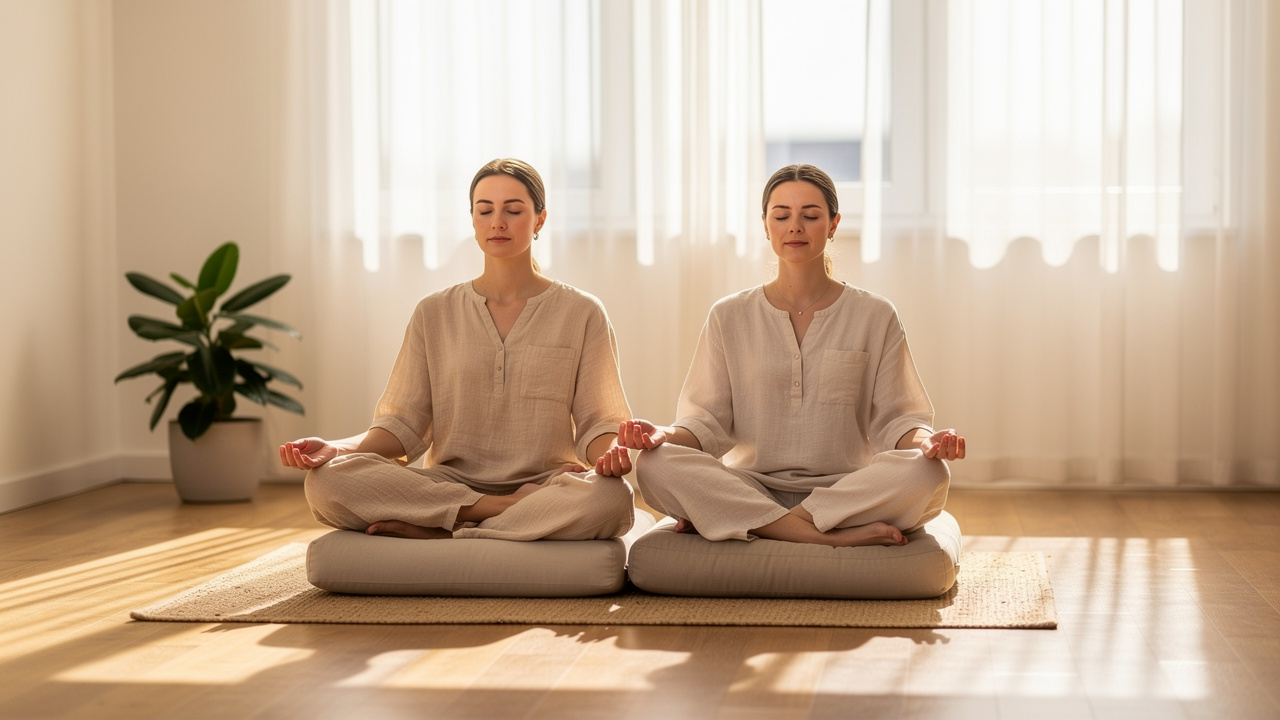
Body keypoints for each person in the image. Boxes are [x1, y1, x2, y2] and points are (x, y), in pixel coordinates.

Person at [279, 158, 635, 541]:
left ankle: (448, 530)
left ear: (539, 220)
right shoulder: (434, 312)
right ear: (473, 220)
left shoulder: (582, 312)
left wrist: (611, 456)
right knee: (326, 483)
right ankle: (495, 512)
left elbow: (599, 424)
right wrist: (334, 448)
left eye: (513, 210)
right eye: (485, 210)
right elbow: (402, 426)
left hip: (547, 484)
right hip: (452, 483)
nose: (498, 222)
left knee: (611, 500)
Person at [618, 163, 965, 548]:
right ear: (766, 225)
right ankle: (820, 536)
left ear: (833, 224)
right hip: (750, 485)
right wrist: (662, 434)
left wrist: (928, 443)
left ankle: (763, 525)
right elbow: (706, 423)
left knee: (929, 473)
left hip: (844, 490)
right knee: (655, 463)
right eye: (781, 215)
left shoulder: (875, 315)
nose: (794, 226)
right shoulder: (729, 315)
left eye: (810, 216)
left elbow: (900, 420)